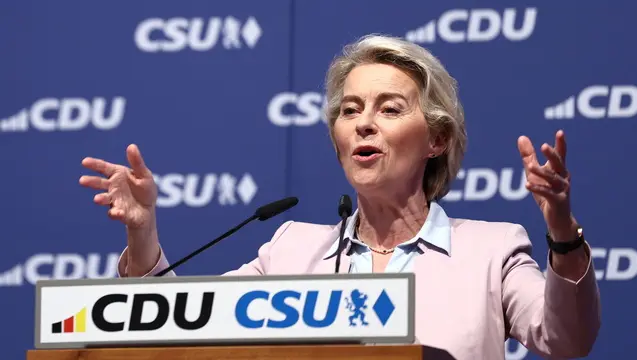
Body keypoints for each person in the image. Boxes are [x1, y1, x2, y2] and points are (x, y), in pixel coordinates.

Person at [79, 34, 600, 359]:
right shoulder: (290, 252)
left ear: (437, 139)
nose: (363, 124)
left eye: (390, 109)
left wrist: (560, 231)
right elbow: (185, 324)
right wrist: (143, 230)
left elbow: (567, 339)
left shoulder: (490, 250)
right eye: (350, 111)